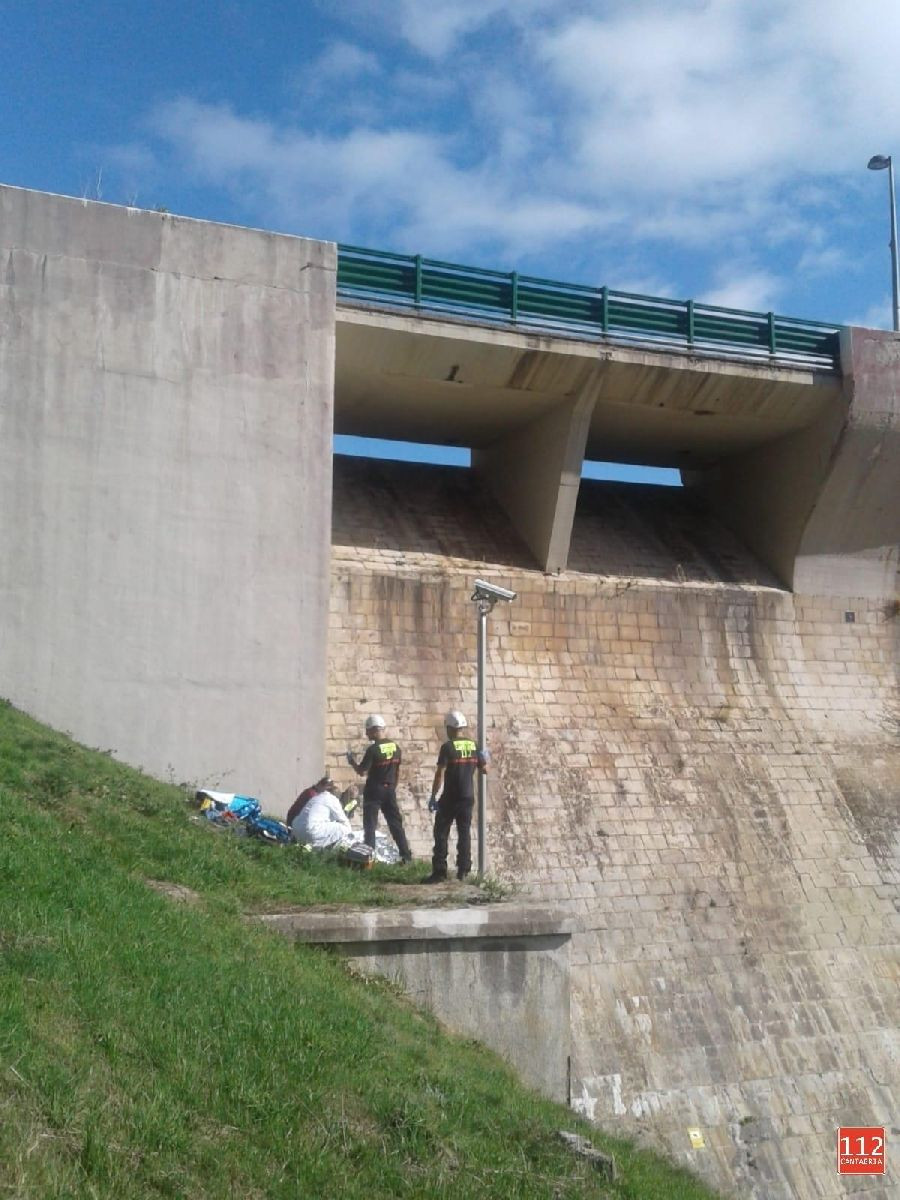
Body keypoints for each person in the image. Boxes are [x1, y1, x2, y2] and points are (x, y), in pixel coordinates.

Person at [423, 711, 488, 883]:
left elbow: (439, 774)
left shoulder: (448, 747)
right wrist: (484, 757)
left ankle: (439, 872)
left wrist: (433, 796)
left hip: (450, 797)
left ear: (450, 728)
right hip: (468, 797)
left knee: (441, 832)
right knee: (464, 833)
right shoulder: (474, 746)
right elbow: (485, 769)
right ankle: (463, 870)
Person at [347, 715, 412, 862]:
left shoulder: (373, 750)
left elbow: (362, 771)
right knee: (395, 824)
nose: (366, 734)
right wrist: (392, 787)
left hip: (374, 790)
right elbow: (397, 771)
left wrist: (352, 761)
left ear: (375, 730)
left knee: (370, 826)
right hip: (390, 789)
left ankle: (368, 858)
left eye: (368, 730)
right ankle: (406, 856)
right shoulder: (396, 748)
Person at [289, 780, 352, 849]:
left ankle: (314, 847)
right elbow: (343, 820)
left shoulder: (316, 797)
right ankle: (340, 849)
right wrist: (351, 834)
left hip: (296, 830)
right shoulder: (333, 799)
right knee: (343, 828)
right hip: (310, 831)